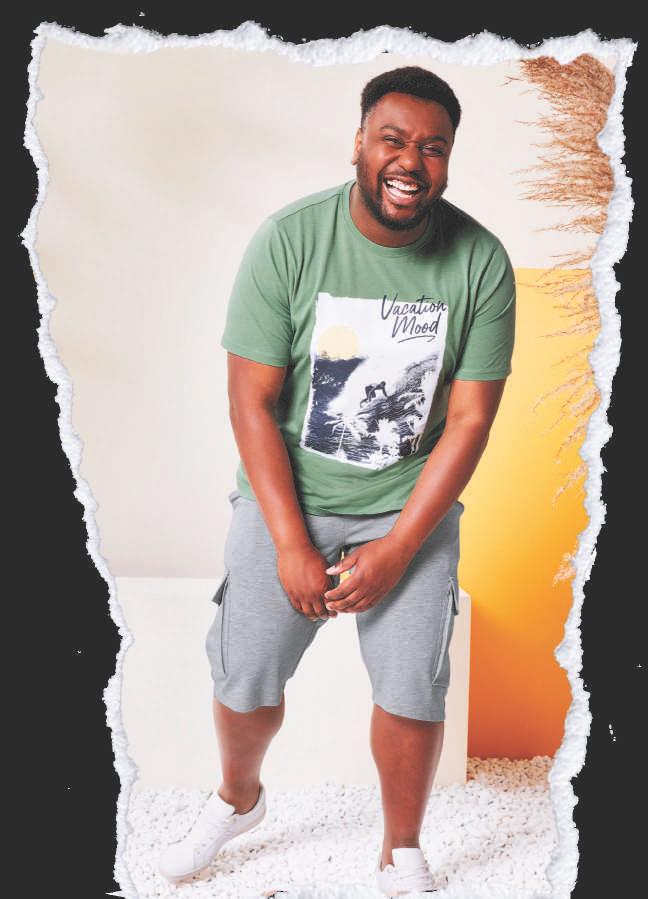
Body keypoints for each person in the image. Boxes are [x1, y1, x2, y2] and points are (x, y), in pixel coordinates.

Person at [158, 65, 516, 896]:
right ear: (359, 142)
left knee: (414, 686)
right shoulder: (289, 240)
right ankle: (238, 798)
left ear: (449, 159)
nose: (410, 161)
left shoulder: (481, 262)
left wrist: (399, 546)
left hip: (408, 507)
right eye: (393, 139)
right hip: (288, 494)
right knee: (245, 672)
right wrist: (289, 541)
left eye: (433, 147)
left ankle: (400, 846)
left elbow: (469, 421)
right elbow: (250, 400)